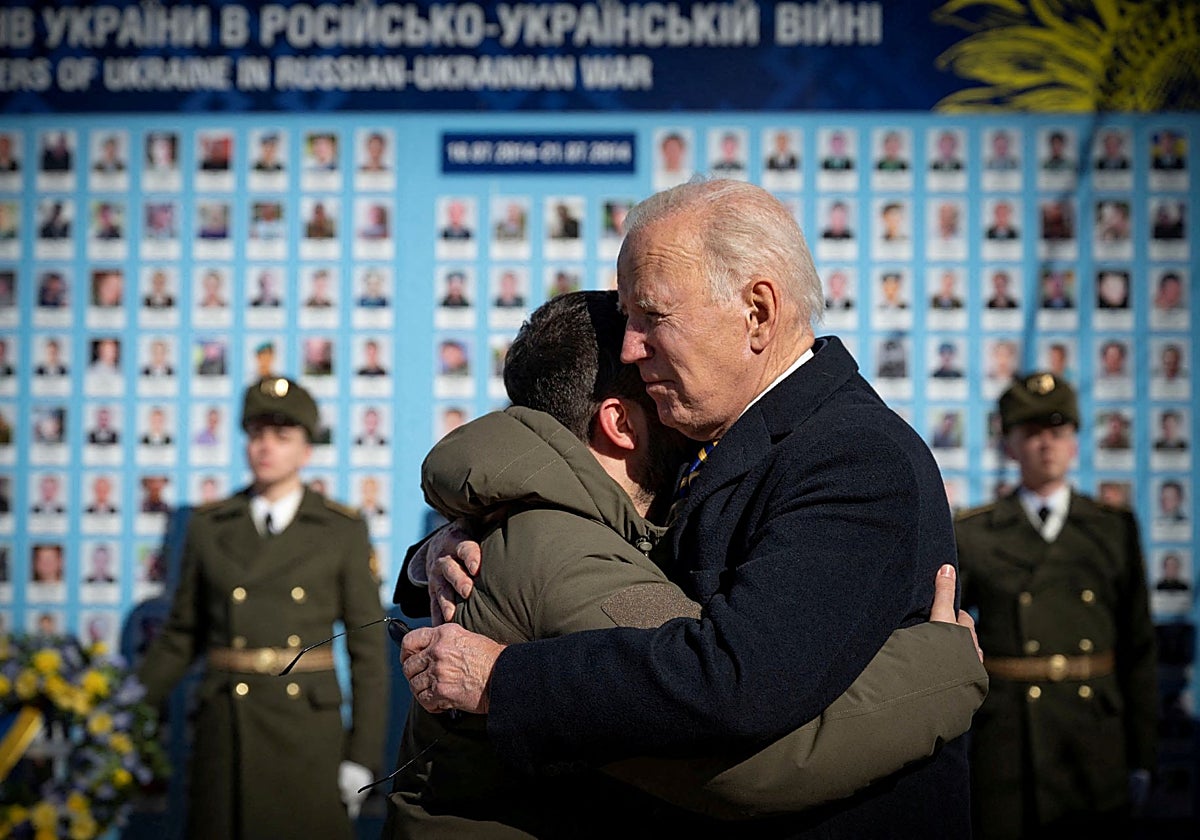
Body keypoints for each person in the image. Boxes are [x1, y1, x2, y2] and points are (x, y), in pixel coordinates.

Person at [401, 180, 974, 836]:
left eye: (652, 317)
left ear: (757, 311)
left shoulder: (851, 456)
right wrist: (448, 546)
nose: (629, 347)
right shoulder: (723, 440)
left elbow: (738, 685)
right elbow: (601, 527)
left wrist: (503, 679)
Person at [136, 377, 387, 839]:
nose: (265, 447)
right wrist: (122, 711)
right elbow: (179, 637)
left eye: (282, 436)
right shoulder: (210, 527)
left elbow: (369, 650)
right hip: (226, 731)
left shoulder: (339, 530)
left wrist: (362, 758)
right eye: (256, 435)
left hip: (308, 737)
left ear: (306, 450)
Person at [955, 373, 1157, 839]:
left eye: (1058, 431)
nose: (1046, 444)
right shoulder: (975, 533)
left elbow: (1139, 649)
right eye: (1031, 432)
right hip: (1009, 741)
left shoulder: (1112, 529)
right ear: (1009, 445)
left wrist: (1143, 755)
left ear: (1075, 444)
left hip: (1094, 739)